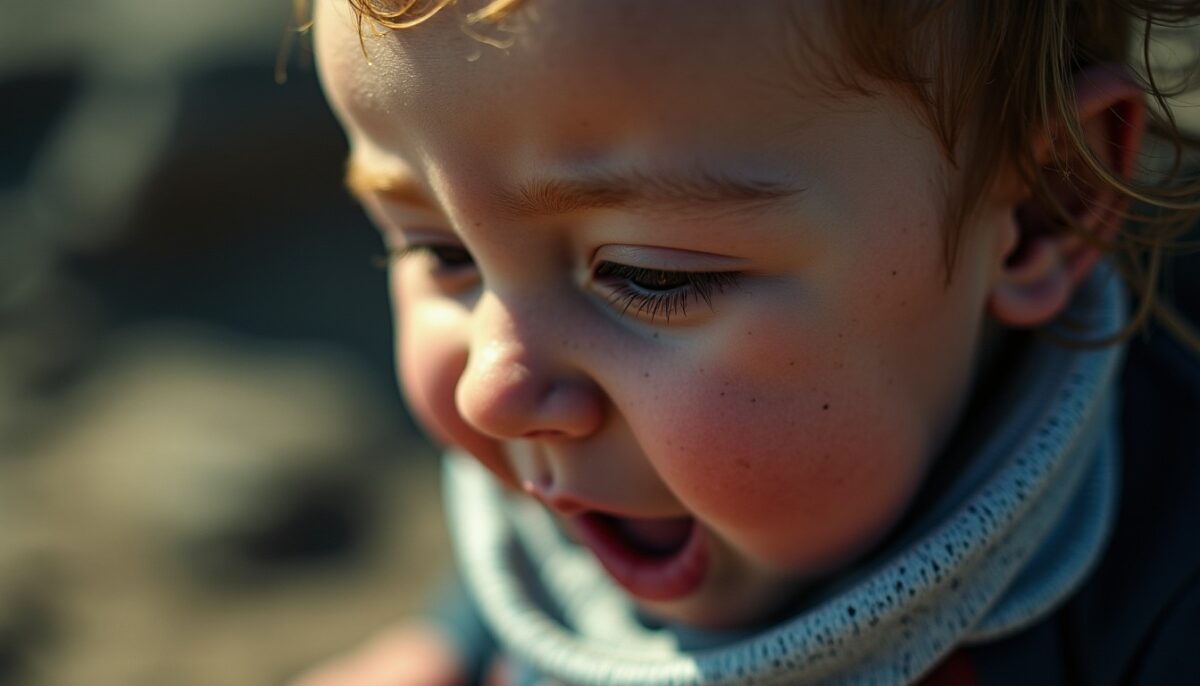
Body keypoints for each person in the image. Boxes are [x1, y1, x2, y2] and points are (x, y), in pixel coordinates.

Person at [294, 1, 1200, 684]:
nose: (492, 389)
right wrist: (442, 646)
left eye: (651, 276)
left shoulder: (1159, 593)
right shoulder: (614, 484)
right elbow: (539, 565)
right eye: (439, 251)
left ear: (1042, 212)